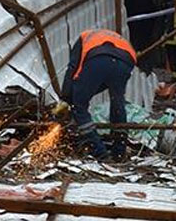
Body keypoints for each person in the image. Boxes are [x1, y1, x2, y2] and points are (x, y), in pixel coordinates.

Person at [58, 29, 136, 160]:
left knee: (79, 107)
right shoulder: (102, 36)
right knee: (117, 103)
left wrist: (66, 98)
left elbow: (72, 67)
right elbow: (100, 83)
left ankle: (100, 153)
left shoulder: (83, 38)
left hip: (98, 59)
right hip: (125, 62)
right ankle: (119, 152)